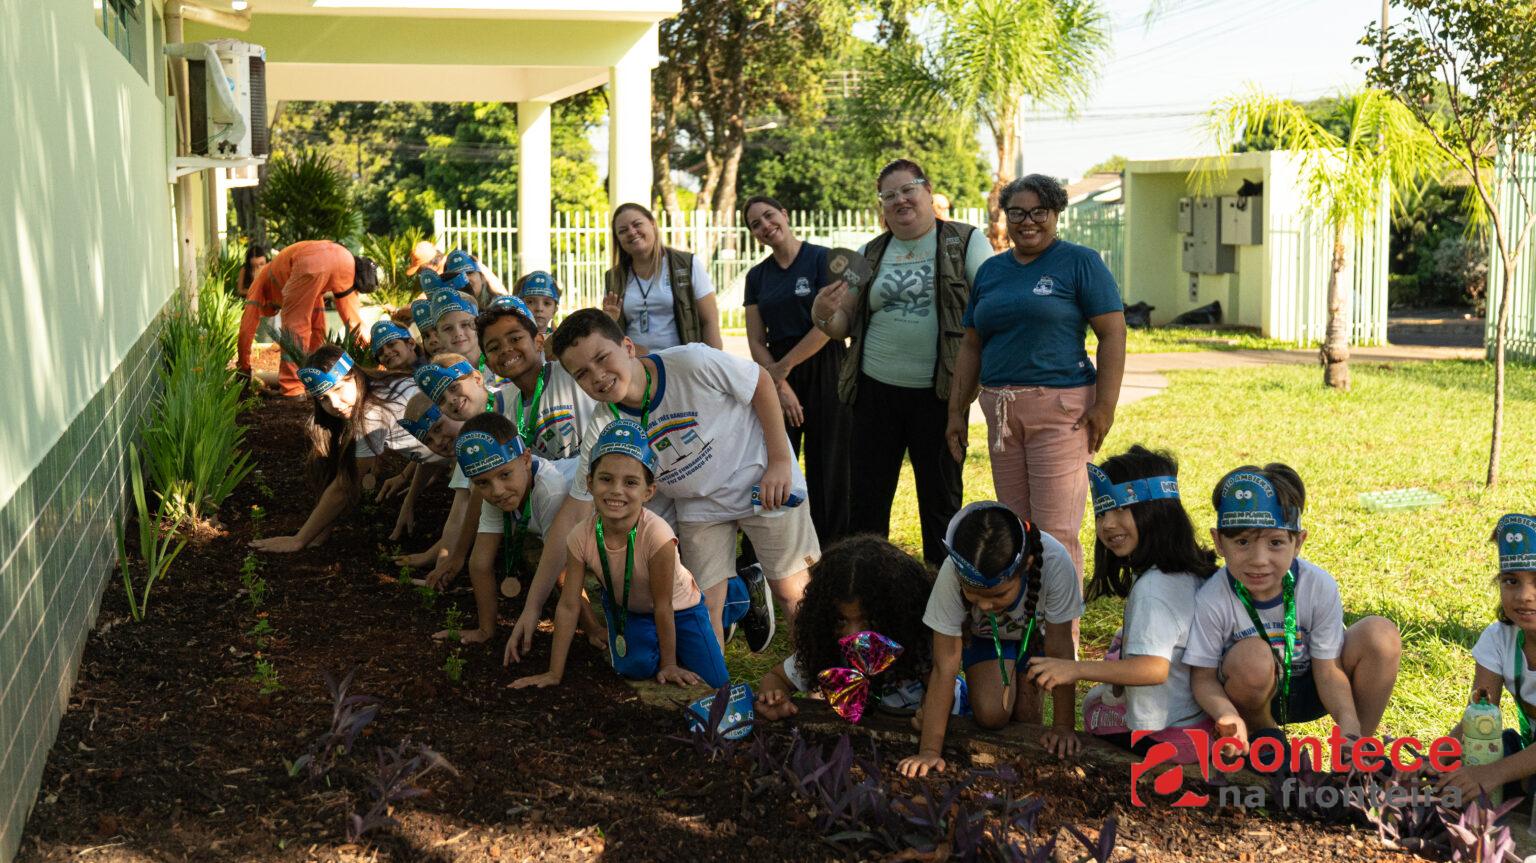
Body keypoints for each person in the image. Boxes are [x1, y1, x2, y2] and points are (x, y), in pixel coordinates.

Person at [550, 308, 808, 649]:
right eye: (582, 373)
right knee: (704, 607)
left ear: (628, 347)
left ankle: (825, 678)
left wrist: (779, 462)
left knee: (792, 591)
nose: (597, 376)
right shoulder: (604, 426)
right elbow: (582, 505)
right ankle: (717, 693)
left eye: (602, 358)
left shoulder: (689, 363)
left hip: (759, 479)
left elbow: (759, 380)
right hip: (698, 504)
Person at [810, 159, 991, 566]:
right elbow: (841, 325)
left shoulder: (966, 241)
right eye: (889, 195)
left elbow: (989, 310)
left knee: (941, 504)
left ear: (928, 192)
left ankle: (944, 601)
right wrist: (822, 312)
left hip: (941, 396)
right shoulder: (869, 253)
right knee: (867, 507)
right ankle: (871, 597)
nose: (900, 200)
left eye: (908, 189)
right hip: (873, 395)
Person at [946, 174, 1126, 579]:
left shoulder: (1080, 263)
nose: (1028, 222)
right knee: (1016, 528)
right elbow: (972, 345)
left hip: (1061, 410)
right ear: (1004, 216)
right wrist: (956, 412)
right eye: (1017, 213)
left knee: (1056, 533)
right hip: (1001, 414)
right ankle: (1026, 629)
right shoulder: (992, 271)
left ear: (1056, 213)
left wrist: (1105, 406)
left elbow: (1113, 333)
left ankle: (1063, 640)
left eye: (1038, 212)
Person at [510, 419, 767, 690]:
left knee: (715, 683)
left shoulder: (657, 535)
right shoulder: (579, 536)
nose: (616, 490)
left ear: (648, 491)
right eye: (605, 479)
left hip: (680, 608)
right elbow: (568, 604)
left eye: (630, 482)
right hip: (630, 610)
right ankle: (664, 639)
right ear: (589, 482)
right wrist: (554, 673)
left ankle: (737, 596)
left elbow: (664, 605)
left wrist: (669, 664)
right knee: (635, 667)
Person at [1185, 465, 1402, 756]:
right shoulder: (1213, 597)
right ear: (1218, 542)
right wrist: (1226, 714)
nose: (1259, 560)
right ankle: (1264, 734)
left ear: (1298, 542)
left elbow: (1328, 670)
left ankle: (1355, 753)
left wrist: (1349, 724)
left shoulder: (1318, 586)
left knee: (1381, 634)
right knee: (1251, 656)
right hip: (1252, 694)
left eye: (1275, 542)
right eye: (1242, 542)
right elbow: (1203, 678)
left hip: (1316, 686)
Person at [1024, 447, 1217, 763]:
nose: (1108, 525)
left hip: (1166, 736)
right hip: (1199, 721)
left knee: (1093, 707)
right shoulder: (1188, 572)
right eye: (1101, 514)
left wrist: (1073, 669)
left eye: (1121, 509)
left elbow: (1154, 669)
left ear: (1157, 511)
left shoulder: (1153, 588)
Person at [898, 502, 1083, 777]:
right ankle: (960, 693)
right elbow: (944, 665)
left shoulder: (1054, 561)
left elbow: (1059, 648)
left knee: (1027, 719)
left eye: (998, 595)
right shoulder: (953, 570)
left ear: (1027, 567)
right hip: (985, 638)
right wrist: (929, 751)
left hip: (1034, 640)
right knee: (991, 715)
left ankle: (1019, 677)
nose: (984, 606)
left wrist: (1064, 726)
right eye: (973, 594)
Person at [742, 195, 851, 544]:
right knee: (778, 458)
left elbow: (827, 325)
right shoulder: (757, 277)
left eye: (769, 215)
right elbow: (757, 339)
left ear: (785, 215)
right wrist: (779, 383)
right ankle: (781, 543)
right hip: (777, 374)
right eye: (755, 224)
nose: (765, 226)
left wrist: (783, 370)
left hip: (825, 363)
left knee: (829, 462)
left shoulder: (822, 259)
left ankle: (831, 545)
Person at [250, 346, 425, 552]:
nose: (335, 404)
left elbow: (345, 486)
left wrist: (299, 540)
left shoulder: (371, 414)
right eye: (323, 398)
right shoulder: (379, 384)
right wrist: (408, 486)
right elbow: (429, 450)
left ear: (354, 375)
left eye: (339, 389)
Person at [755, 536, 933, 721]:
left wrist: (928, 713)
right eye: (841, 620)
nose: (853, 634)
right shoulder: (828, 649)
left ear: (896, 615)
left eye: (867, 621)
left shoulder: (919, 647)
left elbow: (942, 691)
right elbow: (776, 677)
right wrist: (774, 696)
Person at [451, 413, 571, 645]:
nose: (496, 491)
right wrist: (485, 631)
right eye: (482, 483)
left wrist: (593, 628)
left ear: (526, 459)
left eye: (505, 475)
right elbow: (479, 563)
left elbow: (562, 570)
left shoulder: (550, 490)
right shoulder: (500, 494)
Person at [1439, 514, 1536, 802]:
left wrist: (1492, 773)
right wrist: (1436, 758)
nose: (1524, 596)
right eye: (1511, 581)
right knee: (1480, 753)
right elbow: (1478, 717)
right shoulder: (1499, 639)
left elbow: (1490, 772)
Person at [237, 241, 372, 397]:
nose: (275, 310)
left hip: (310, 263)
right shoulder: (287, 274)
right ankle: (374, 366)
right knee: (354, 322)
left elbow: (246, 330)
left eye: (275, 308)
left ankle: (292, 388)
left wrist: (243, 368)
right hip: (344, 257)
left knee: (294, 327)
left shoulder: (259, 282)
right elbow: (317, 329)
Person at [602, 203, 723, 352]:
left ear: (652, 224)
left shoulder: (686, 265)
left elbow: (709, 321)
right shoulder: (614, 278)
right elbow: (609, 334)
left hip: (684, 363)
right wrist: (609, 321)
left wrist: (714, 363)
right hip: (637, 367)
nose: (632, 232)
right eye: (622, 231)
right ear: (618, 239)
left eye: (637, 224)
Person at [442, 248, 508, 307]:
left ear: (482, 278)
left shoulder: (499, 305)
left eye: (469, 273)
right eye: (457, 275)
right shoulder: (442, 307)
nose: (465, 278)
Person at [515, 270, 561, 342]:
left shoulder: (559, 341)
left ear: (555, 310)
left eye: (546, 303)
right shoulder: (509, 340)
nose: (539, 308)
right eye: (530, 302)